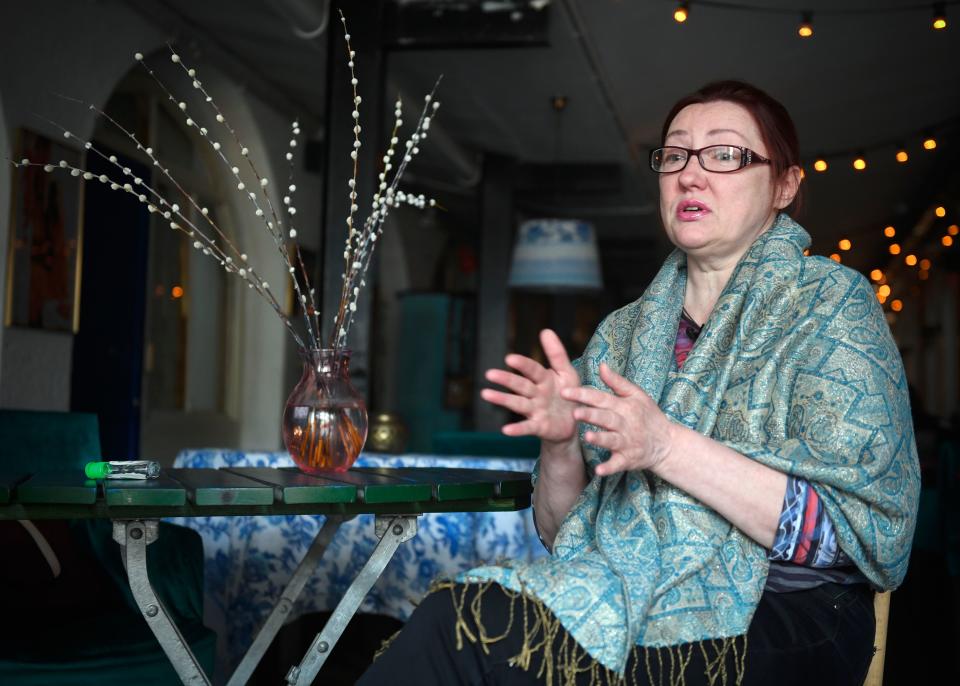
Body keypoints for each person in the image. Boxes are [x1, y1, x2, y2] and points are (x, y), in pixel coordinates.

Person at [357, 80, 920, 685]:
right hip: (634, 590)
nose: (691, 175)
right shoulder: (623, 335)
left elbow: (849, 536)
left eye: (725, 154)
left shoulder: (832, 306)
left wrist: (666, 445)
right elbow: (564, 534)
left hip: (795, 613)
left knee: (483, 639)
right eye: (675, 155)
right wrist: (561, 441)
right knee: (459, 619)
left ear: (784, 185)